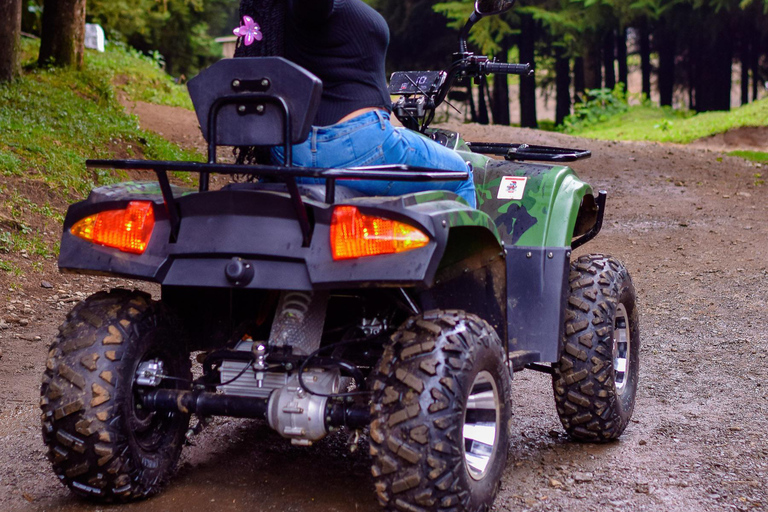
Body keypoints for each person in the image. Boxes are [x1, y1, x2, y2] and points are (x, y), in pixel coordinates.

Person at [234, 0, 477, 207]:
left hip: (292, 152)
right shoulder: (311, 8)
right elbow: (313, 9)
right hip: (355, 147)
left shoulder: (280, 14)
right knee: (461, 174)